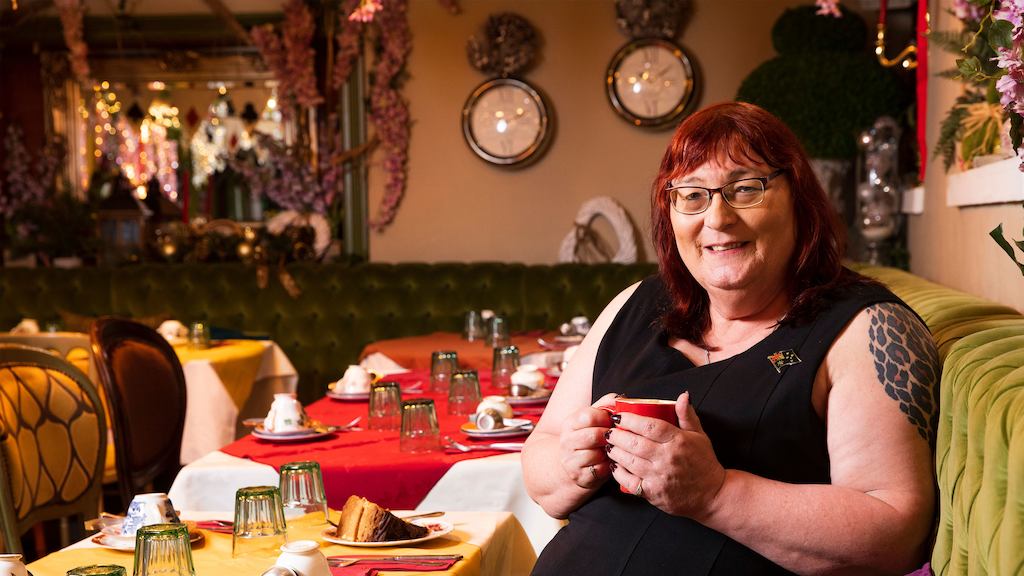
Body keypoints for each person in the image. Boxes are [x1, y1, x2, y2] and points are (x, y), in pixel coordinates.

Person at [522, 102, 939, 575]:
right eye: (693, 196)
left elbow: (896, 532)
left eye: (745, 189)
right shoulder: (634, 305)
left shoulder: (865, 328)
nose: (717, 219)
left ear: (799, 200)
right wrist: (570, 465)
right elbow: (541, 458)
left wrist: (715, 494)